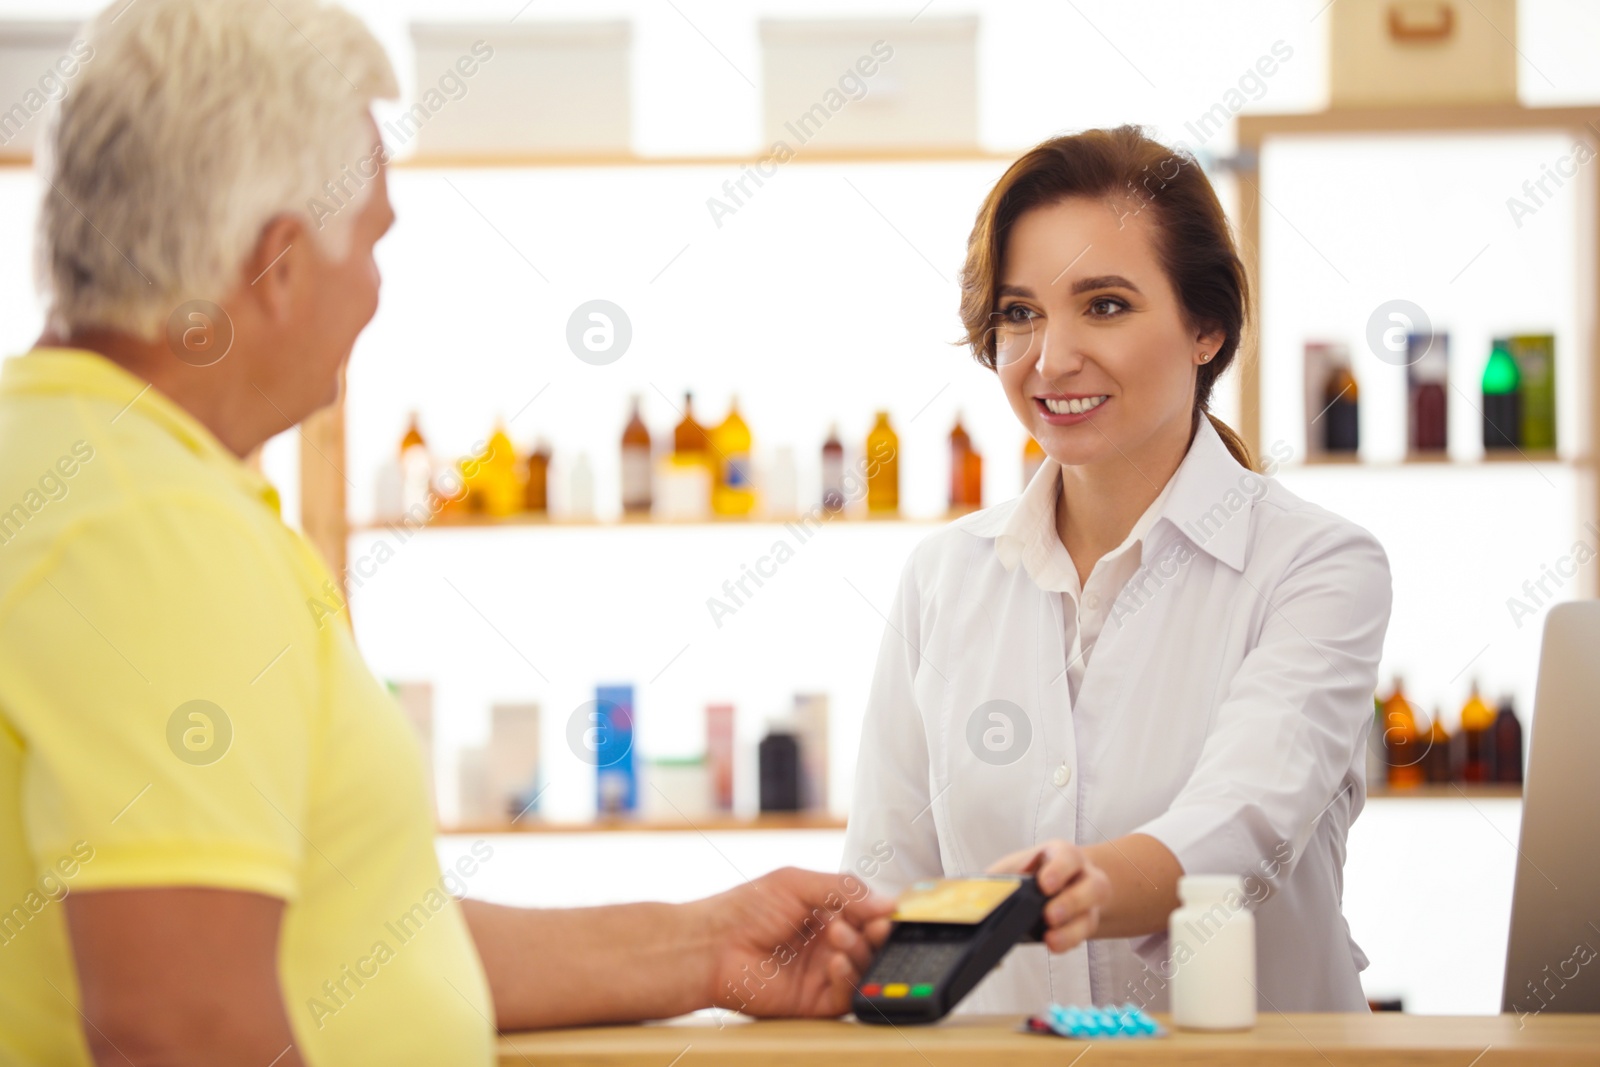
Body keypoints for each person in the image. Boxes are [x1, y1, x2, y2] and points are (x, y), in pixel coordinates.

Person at [0, 2, 922, 1064]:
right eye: (375, 240)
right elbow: (184, 1028)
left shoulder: (78, 461)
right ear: (280, 265)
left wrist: (709, 941)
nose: (379, 289)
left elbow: (356, 940)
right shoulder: (152, 526)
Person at [842, 126, 1392, 1014]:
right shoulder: (944, 576)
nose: (1051, 359)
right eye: (1020, 313)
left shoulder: (1316, 567)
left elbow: (1245, 822)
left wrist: (1085, 884)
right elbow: (887, 883)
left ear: (1206, 326)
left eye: (1103, 305)